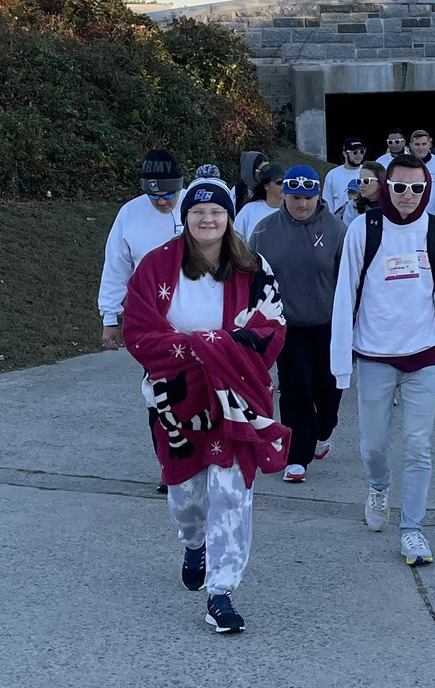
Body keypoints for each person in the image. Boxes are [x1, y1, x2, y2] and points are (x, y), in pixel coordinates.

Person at [123, 179, 289, 634]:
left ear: (229, 217)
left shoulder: (253, 267)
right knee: (186, 494)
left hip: (234, 394)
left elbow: (273, 325)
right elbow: (138, 330)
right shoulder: (157, 266)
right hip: (177, 396)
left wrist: (221, 348)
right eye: (198, 212)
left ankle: (221, 592)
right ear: (186, 218)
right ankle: (193, 542)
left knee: (231, 490)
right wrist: (199, 349)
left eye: (216, 211)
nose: (207, 219)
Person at [330, 154, 435, 566]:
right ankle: (378, 486)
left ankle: (412, 529)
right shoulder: (363, 229)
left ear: (428, 189)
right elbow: (344, 296)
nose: (408, 195)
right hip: (374, 356)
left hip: (424, 357)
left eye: (417, 188)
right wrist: (341, 364)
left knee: (419, 446)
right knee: (373, 445)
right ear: (385, 187)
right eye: (400, 187)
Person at [249, 166, 348, 483]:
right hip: (285, 326)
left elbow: (349, 281)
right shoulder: (264, 231)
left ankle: (323, 431)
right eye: (295, 197)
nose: (302, 204)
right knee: (296, 387)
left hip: (327, 324)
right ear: (284, 195)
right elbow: (251, 278)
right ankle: (296, 457)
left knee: (328, 390)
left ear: (318, 196)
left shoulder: (337, 230)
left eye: (308, 198)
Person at [97, 148, 186, 492]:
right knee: (159, 396)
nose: (162, 202)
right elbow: (116, 265)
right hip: (152, 322)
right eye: (154, 196)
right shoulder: (130, 214)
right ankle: (170, 466)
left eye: (168, 194)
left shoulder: (198, 207)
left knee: (198, 394)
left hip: (199, 318)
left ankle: (203, 460)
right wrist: (110, 316)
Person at [233, 163, 284, 241]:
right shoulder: (249, 210)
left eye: (286, 182)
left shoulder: (292, 211)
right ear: (266, 186)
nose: (283, 186)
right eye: (279, 182)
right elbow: (235, 239)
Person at [323, 137, 366, 214]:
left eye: (362, 152)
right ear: (345, 154)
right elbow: (327, 203)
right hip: (339, 219)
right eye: (355, 152)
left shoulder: (367, 172)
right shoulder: (332, 175)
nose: (359, 155)